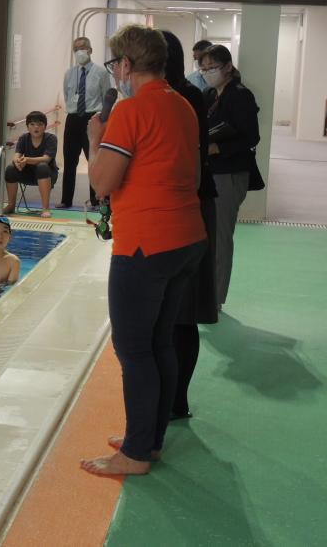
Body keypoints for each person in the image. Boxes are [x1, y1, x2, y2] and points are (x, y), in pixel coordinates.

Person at [81, 24, 206, 477]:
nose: (115, 72)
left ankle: (134, 454)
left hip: (145, 244)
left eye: (115, 64)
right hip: (187, 237)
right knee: (159, 342)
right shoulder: (183, 107)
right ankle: (149, 440)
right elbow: (189, 177)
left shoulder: (130, 112)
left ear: (127, 65)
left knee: (133, 348)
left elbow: (101, 182)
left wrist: (96, 139)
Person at [162, 31, 219, 420]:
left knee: (181, 312)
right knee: (172, 314)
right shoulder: (178, 97)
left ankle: (176, 399)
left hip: (187, 207)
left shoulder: (183, 98)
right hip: (178, 206)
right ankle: (170, 398)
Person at [200, 45, 264, 307]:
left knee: (221, 238)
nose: (207, 73)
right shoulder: (207, 94)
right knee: (204, 237)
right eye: (203, 69)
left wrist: (219, 147)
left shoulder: (241, 95)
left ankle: (215, 299)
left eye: (212, 68)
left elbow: (251, 137)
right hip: (208, 171)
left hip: (230, 173)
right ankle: (202, 294)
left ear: (227, 67)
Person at [58, 36, 112, 209]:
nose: (79, 51)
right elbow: (67, 96)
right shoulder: (69, 73)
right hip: (73, 118)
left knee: (93, 160)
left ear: (90, 50)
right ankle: (66, 200)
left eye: (82, 47)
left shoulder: (101, 73)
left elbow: (106, 99)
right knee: (69, 160)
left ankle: (96, 200)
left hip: (92, 118)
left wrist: (102, 122)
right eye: (76, 48)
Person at [3, 111, 58, 218]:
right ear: (27, 127)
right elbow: (16, 156)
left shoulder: (51, 138)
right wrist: (18, 162)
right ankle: (11, 205)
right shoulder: (24, 138)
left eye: (40, 124)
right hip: (28, 174)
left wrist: (27, 160)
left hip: (47, 174)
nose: (36, 127)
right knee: (10, 169)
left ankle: (46, 208)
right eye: (32, 124)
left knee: (42, 166)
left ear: (45, 127)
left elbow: (46, 159)